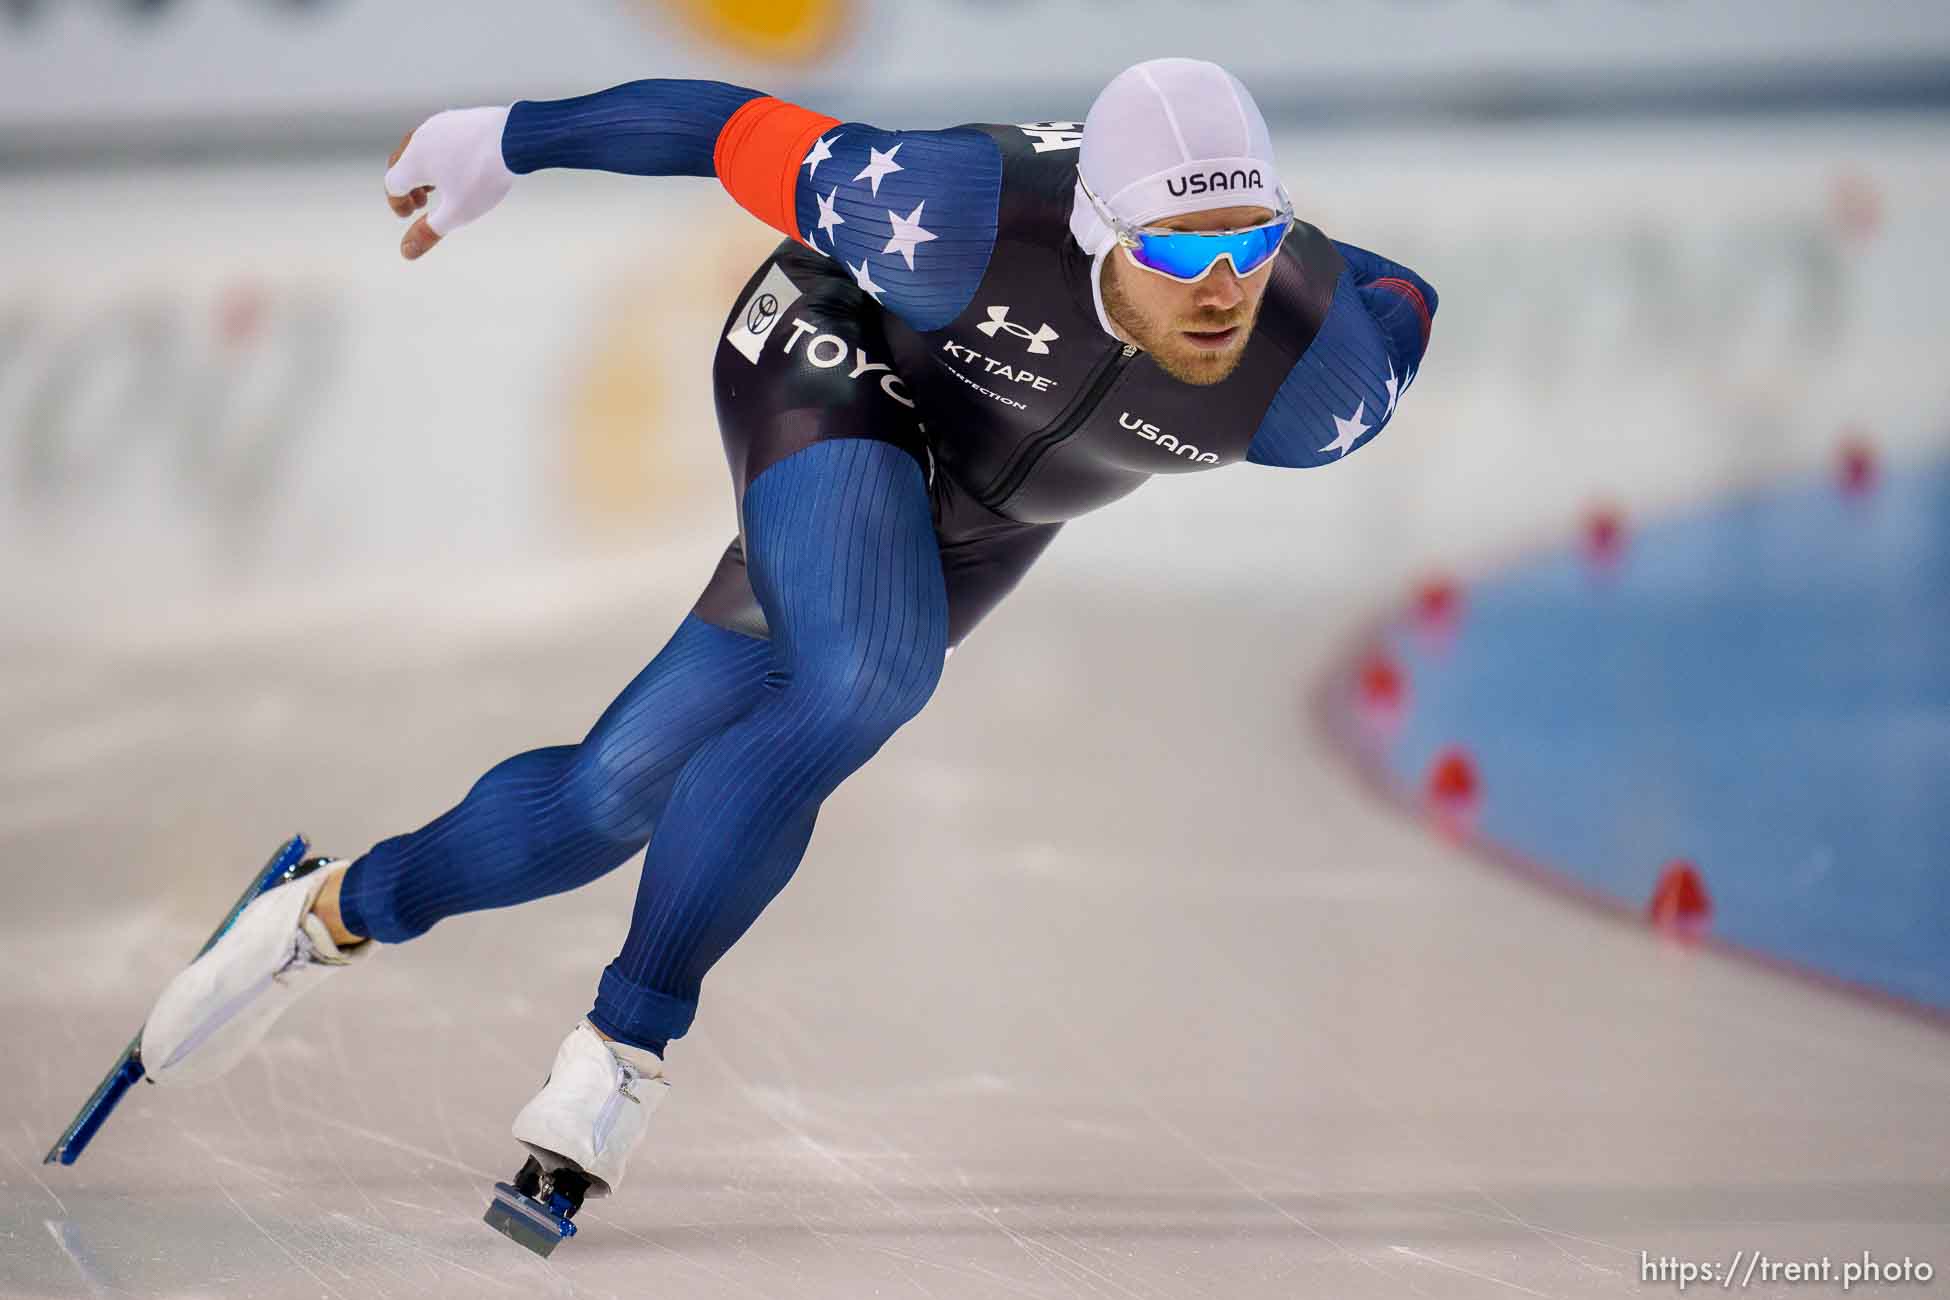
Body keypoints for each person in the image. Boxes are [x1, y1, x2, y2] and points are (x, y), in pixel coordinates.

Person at [138, 57, 1437, 1206]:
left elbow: (1399, 291)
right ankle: (622, 1051)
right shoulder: (949, 219)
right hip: (831, 366)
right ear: (1099, 230)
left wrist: (1299, 260)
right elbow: (730, 125)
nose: (1215, 291)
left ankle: (324, 915)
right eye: (1170, 251)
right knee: (870, 671)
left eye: (1243, 243)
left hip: (987, 516)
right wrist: (508, 137)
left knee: (606, 800)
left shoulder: (1315, 381)